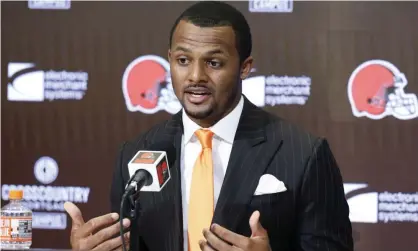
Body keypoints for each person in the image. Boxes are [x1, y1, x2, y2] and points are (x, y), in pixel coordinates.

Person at [64, 1, 354, 251]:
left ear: (244, 67)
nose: (195, 76)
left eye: (213, 63)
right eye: (182, 60)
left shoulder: (304, 154)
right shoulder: (136, 153)